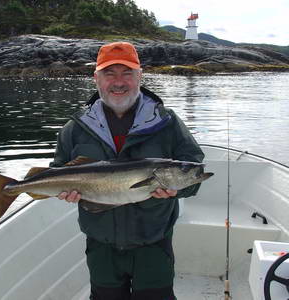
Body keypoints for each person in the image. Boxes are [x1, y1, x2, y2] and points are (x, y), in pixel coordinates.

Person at [50, 42, 204, 300]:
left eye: (127, 73)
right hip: (101, 243)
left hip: (153, 242)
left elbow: (194, 171)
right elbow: (58, 171)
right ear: (96, 78)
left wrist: (176, 190)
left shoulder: (167, 122)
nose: (118, 82)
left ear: (140, 76)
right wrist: (65, 192)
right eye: (110, 73)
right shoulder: (74, 128)